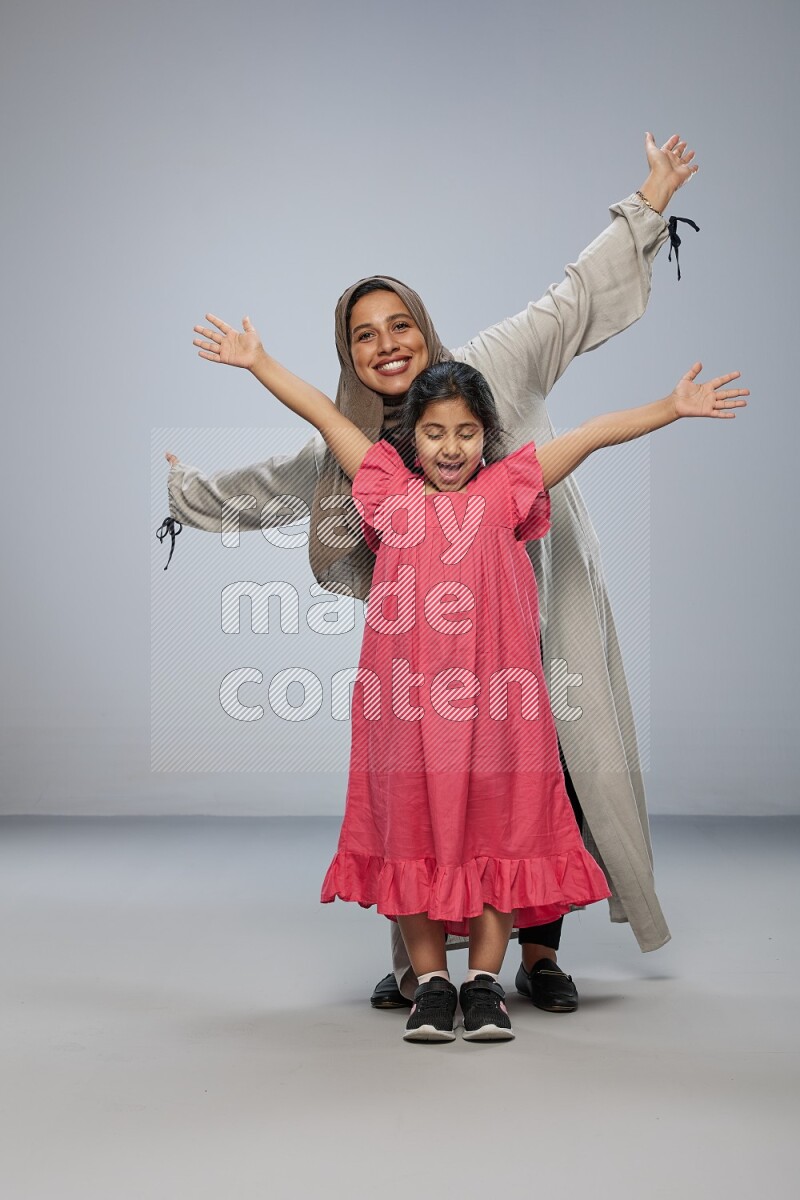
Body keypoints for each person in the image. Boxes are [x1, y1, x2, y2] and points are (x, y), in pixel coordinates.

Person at [163, 132, 700, 1011]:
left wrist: (649, 199)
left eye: (399, 324)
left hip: (538, 597)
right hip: (436, 646)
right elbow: (270, 485)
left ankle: (535, 954)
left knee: (548, 761)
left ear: (424, 326)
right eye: (364, 336)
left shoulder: (496, 361)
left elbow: (572, 302)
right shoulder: (358, 446)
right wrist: (184, 495)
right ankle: (425, 959)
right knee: (423, 774)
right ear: (351, 353)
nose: (385, 345)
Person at [184, 330, 746, 1043]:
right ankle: (432, 984)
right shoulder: (386, 486)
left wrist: (670, 407)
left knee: (500, 834)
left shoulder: (510, 488)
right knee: (412, 833)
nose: (451, 448)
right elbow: (325, 419)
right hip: (407, 714)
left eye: (467, 433)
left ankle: (484, 983)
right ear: (412, 438)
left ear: (488, 437)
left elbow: (593, 435)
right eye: (435, 433)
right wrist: (258, 362)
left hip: (501, 713)